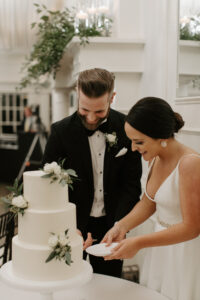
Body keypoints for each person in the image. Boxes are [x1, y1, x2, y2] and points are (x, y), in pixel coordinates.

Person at [42, 68, 142, 277]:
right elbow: (48, 186)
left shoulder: (127, 128)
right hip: (72, 225)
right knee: (68, 284)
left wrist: (120, 226)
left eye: (99, 112)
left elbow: (131, 185)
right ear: (77, 93)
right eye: (84, 109)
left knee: (108, 287)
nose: (90, 118)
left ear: (112, 98)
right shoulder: (60, 132)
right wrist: (69, 226)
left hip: (111, 226)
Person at [102, 97, 200, 300]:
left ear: (160, 136)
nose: (133, 148)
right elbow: (148, 203)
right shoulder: (155, 158)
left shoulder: (190, 163)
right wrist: (121, 226)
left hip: (184, 252)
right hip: (160, 249)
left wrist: (139, 242)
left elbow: (192, 227)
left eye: (139, 142)